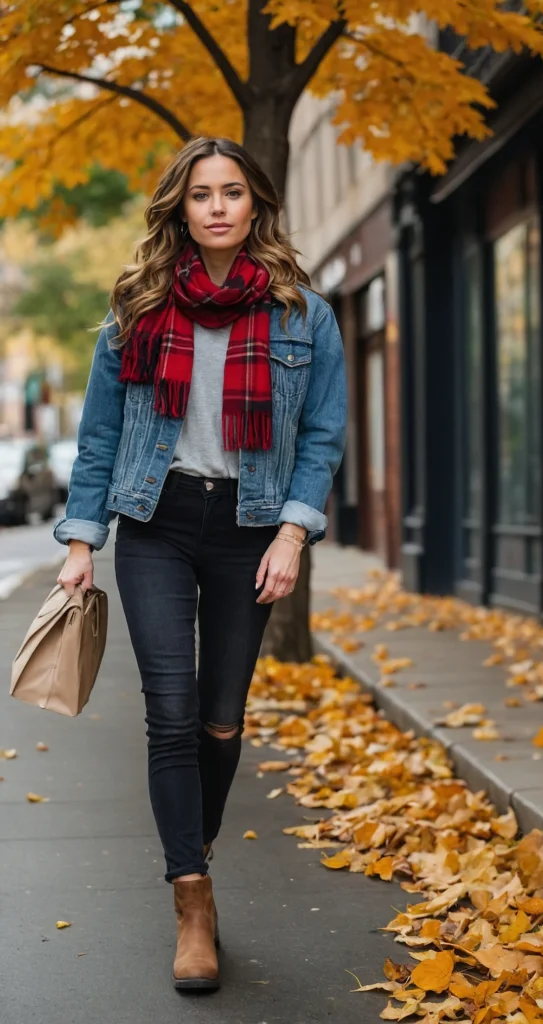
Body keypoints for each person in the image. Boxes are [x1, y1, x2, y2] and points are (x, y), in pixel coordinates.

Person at [53, 136, 347, 991]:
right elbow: (100, 433)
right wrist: (81, 543)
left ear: (254, 205)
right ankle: (192, 898)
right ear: (178, 209)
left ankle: (194, 840)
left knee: (221, 717)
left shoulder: (304, 314)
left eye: (230, 192)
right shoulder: (137, 307)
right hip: (157, 519)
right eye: (199, 195)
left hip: (251, 528)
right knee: (171, 712)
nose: (216, 207)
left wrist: (292, 535)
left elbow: (321, 436)